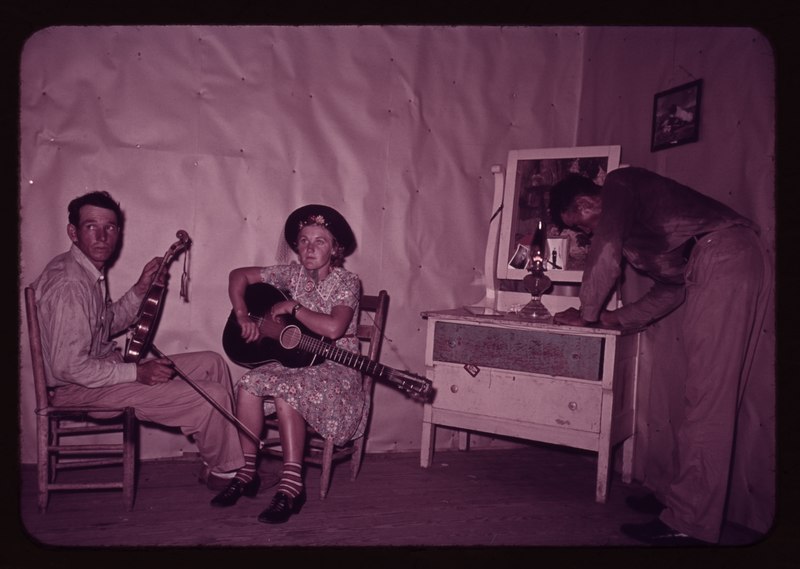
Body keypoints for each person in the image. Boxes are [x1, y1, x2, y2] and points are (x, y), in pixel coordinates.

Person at [547, 167, 771, 546]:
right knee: (702, 395)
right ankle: (679, 501)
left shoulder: (620, 183)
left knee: (708, 400)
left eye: (581, 226)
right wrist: (613, 318)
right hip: (720, 262)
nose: (587, 234)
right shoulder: (644, 233)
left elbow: (605, 250)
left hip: (725, 257)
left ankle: (689, 523)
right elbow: (672, 289)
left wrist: (586, 316)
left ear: (586, 202)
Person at [31, 191, 245, 492]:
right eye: (91, 226)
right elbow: (68, 368)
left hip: (101, 376)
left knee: (211, 363)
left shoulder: (83, 271)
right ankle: (226, 475)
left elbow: (106, 325)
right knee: (211, 394)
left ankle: (217, 461)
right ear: (73, 232)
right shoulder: (70, 284)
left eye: (111, 226)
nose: (103, 235)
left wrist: (140, 288)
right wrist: (137, 373)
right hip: (77, 390)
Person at [210, 204, 366, 524]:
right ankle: (247, 471)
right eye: (304, 240)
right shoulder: (290, 273)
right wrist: (241, 313)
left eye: (320, 241)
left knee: (287, 389)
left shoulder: (347, 282)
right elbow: (238, 275)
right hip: (295, 362)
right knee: (248, 384)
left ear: (336, 248)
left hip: (335, 365)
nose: (309, 248)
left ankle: (292, 485)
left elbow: (334, 328)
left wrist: (292, 307)